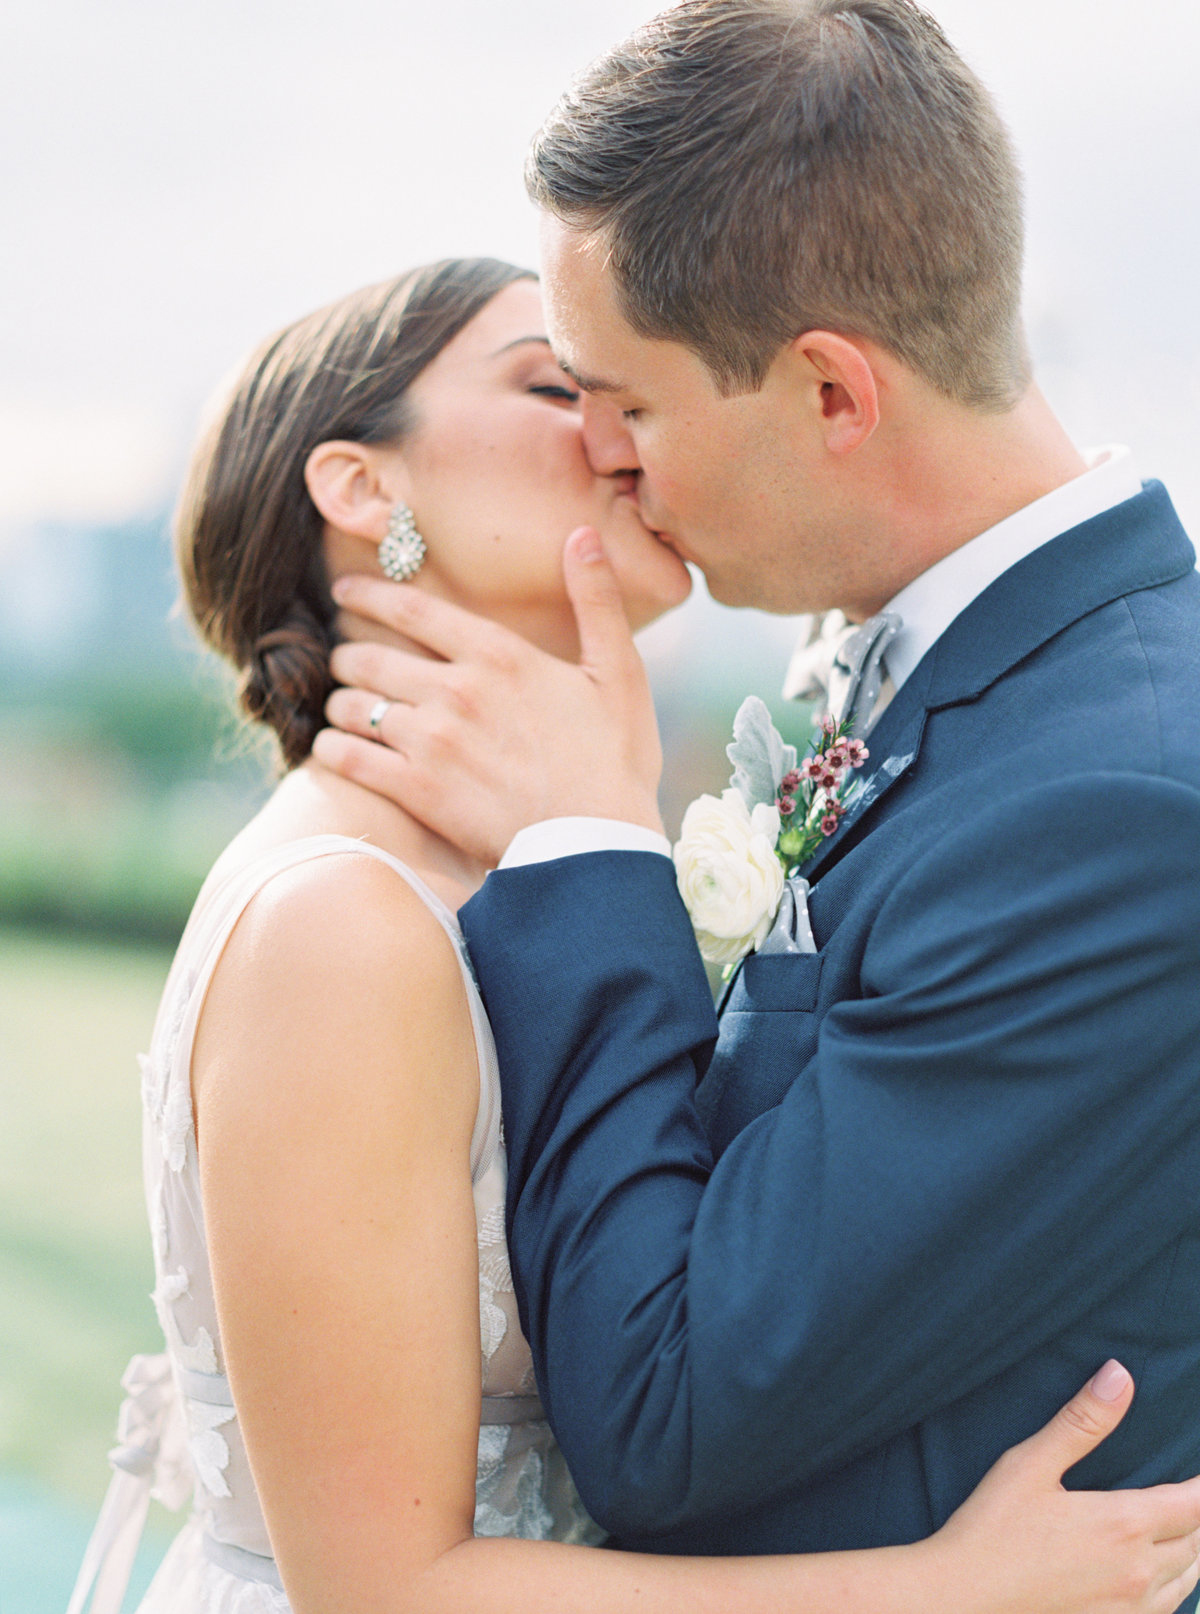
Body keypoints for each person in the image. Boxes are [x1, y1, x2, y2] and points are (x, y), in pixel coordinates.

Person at [65, 260, 1200, 1614]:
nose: (617, 437)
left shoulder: (549, 862)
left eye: (624, 397)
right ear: (366, 490)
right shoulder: (341, 923)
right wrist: (943, 1589)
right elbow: (379, 1590)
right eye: (556, 387)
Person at [311, 0, 1200, 1599]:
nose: (603, 461)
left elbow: (663, 1405)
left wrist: (590, 844)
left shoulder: (1118, 803)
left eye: (630, 405)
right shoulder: (962, 676)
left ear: (832, 396)